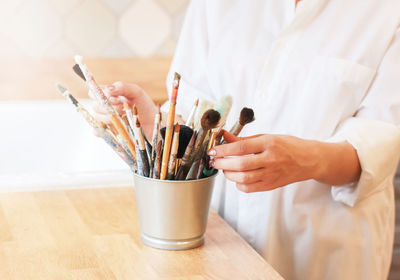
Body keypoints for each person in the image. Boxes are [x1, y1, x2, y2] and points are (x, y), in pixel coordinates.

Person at [92, 0, 400, 279]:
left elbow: (382, 139)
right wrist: (155, 127)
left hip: (325, 256)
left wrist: (305, 159)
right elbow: (192, 114)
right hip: (214, 247)